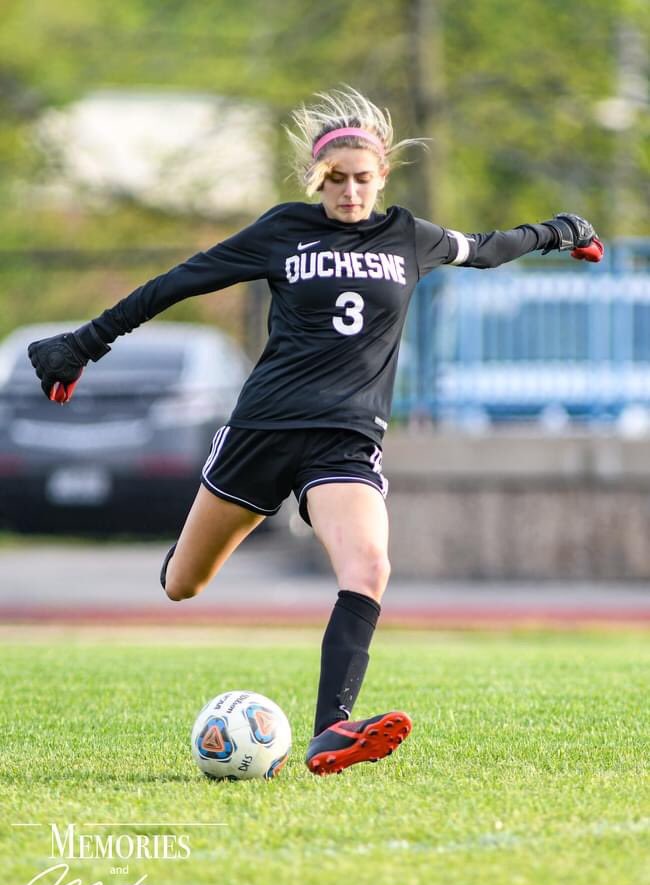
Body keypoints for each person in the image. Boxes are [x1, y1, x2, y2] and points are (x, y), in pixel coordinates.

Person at [27, 87, 604, 776]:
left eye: (363, 179)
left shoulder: (410, 237)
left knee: (369, 566)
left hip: (345, 440)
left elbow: (483, 249)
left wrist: (561, 231)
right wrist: (85, 344)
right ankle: (188, 547)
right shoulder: (283, 231)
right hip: (263, 430)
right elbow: (179, 282)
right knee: (183, 584)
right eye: (337, 181)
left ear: (383, 176)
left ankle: (331, 728)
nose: (351, 192)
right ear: (317, 178)